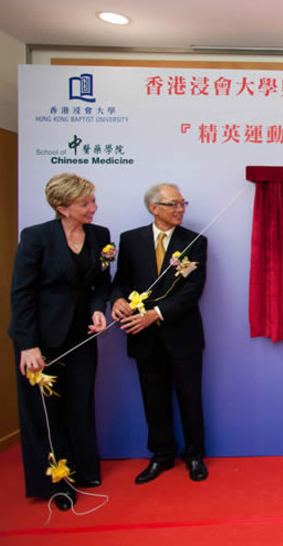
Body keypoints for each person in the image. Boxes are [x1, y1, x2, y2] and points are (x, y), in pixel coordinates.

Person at [9, 173, 111, 510]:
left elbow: (100, 283)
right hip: (41, 340)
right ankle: (55, 482)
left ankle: (84, 470)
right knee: (43, 412)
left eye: (93, 201)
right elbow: (21, 294)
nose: (93, 208)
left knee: (79, 403)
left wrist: (98, 309)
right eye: (85, 204)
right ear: (62, 207)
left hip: (80, 337)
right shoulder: (37, 238)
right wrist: (28, 344)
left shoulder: (100, 236)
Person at [111, 183, 209, 483]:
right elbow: (121, 281)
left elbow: (193, 290)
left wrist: (156, 314)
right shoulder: (131, 240)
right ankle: (162, 455)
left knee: (190, 397)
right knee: (153, 398)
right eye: (173, 204)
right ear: (154, 208)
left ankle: (194, 456)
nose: (180, 209)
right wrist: (116, 299)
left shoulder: (195, 242)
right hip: (142, 336)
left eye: (182, 203)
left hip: (182, 334)